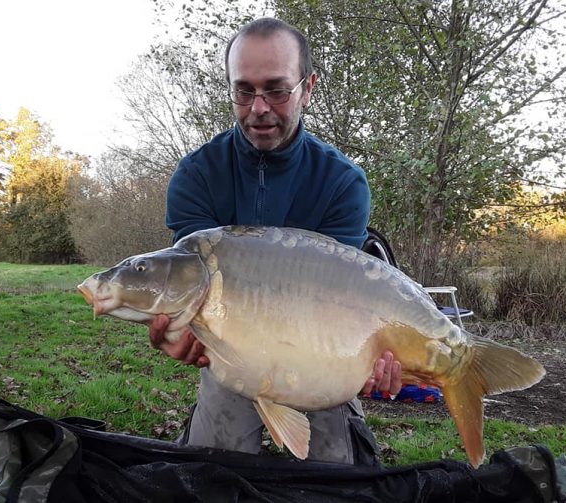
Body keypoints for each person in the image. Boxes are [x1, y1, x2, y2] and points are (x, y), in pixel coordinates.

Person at [148, 17, 402, 465]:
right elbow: (189, 286)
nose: (259, 107)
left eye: (276, 89)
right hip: (231, 351)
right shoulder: (196, 176)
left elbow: (342, 304)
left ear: (308, 88)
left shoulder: (342, 183)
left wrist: (366, 358)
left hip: (317, 347)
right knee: (212, 469)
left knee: (333, 470)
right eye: (243, 90)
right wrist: (180, 327)